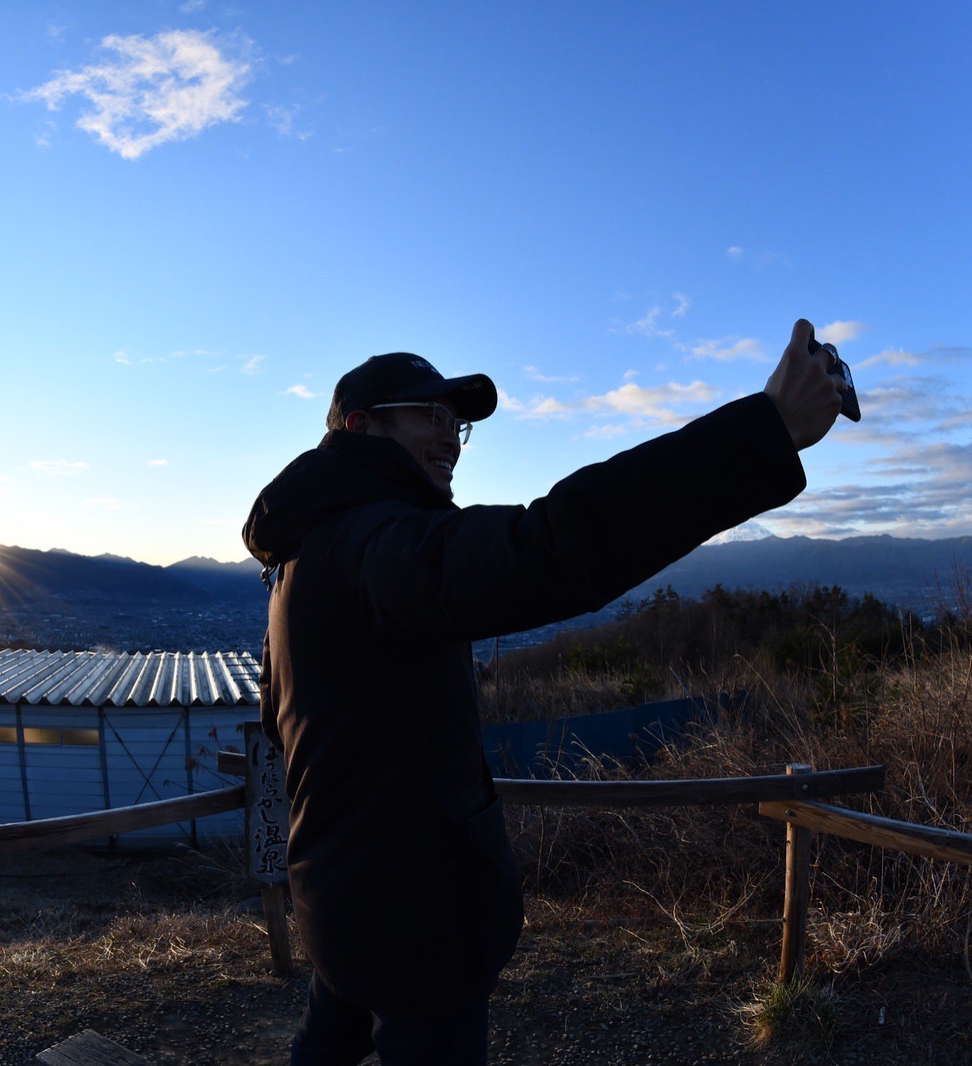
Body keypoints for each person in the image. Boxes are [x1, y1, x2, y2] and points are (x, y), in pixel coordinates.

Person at [242, 320, 844, 1064]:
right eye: (430, 416)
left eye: (457, 423)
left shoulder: (301, 563)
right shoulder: (376, 546)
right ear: (362, 427)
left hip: (341, 895)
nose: (451, 438)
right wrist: (767, 429)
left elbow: (279, 720)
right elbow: (551, 548)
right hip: (416, 915)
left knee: (325, 1045)